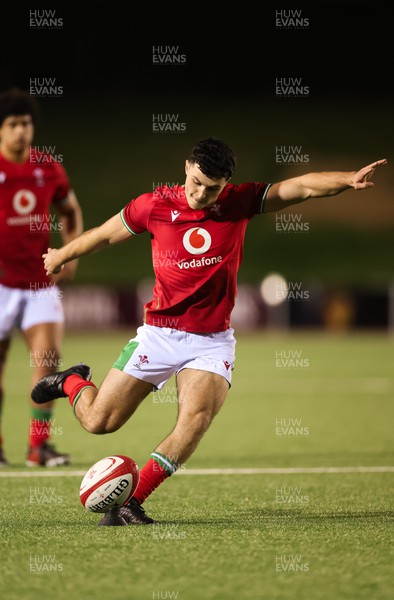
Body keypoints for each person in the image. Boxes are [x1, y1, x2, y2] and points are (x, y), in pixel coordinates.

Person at [32, 138, 386, 522]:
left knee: (196, 419)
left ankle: (133, 501)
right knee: (99, 422)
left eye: (212, 188)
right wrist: (61, 254)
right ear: (187, 166)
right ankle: (72, 382)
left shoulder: (238, 202)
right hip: (159, 334)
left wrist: (347, 179)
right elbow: (103, 234)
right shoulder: (153, 206)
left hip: (211, 343)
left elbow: (298, 188)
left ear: (226, 184)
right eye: (197, 182)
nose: (202, 194)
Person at [0, 88, 83, 467]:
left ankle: (39, 447)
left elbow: (69, 210)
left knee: (48, 362)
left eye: (26, 123)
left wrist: (71, 251)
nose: (21, 131)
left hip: (39, 284)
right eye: (13, 124)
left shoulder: (48, 167)